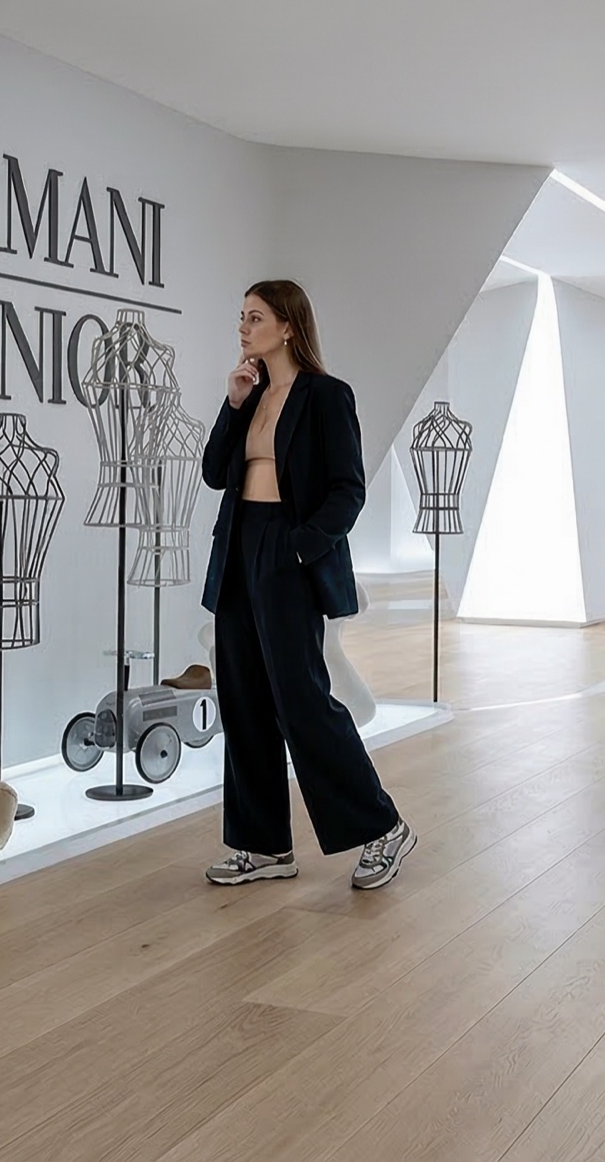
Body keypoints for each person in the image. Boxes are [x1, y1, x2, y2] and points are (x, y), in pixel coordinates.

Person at [197, 280, 413, 889]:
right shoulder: (250, 395)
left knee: (304, 701)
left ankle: (382, 827)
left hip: (286, 552)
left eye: (255, 317)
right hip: (238, 551)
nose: (243, 327)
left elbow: (348, 489)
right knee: (242, 700)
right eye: (241, 317)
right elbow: (215, 473)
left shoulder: (326, 395)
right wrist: (233, 404)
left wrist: (298, 548)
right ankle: (263, 846)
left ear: (288, 326)